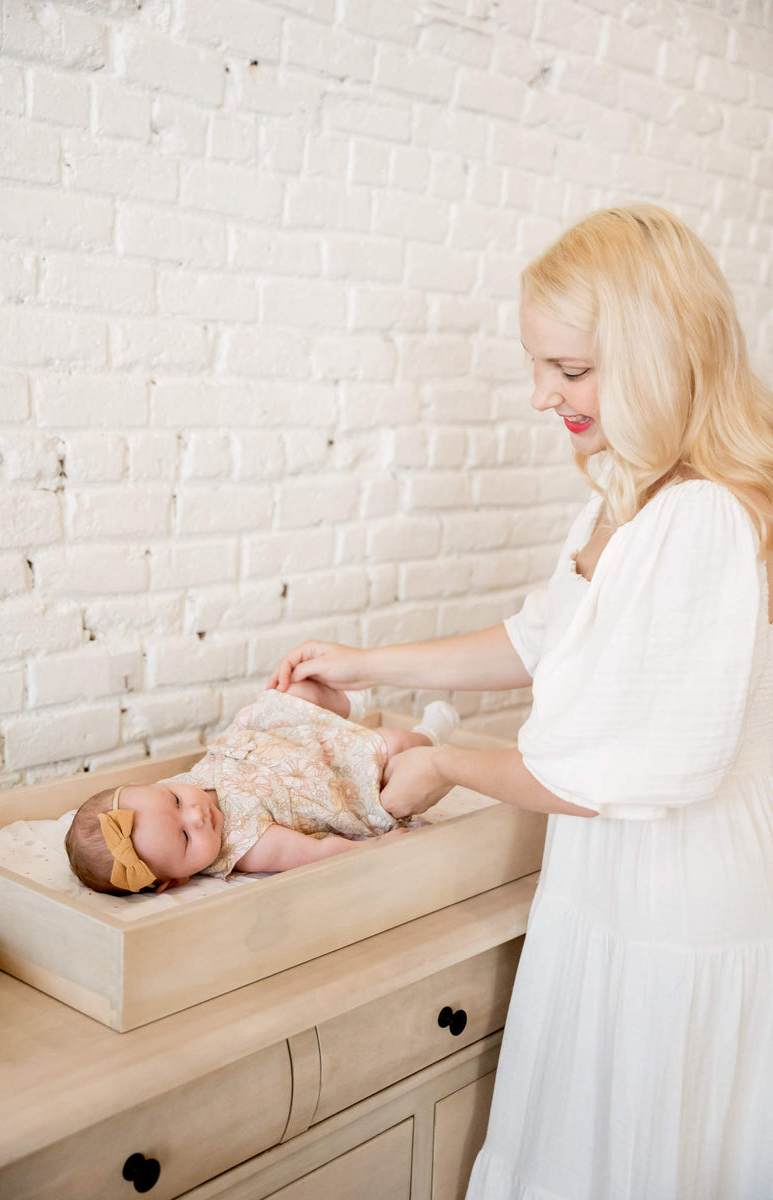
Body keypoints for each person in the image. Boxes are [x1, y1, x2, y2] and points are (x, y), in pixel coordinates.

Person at [269, 204, 773, 1198]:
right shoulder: (624, 499)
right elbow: (541, 639)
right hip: (605, 885)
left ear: (657, 356)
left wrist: (448, 763)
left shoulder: (703, 520)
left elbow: (623, 772)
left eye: (568, 370)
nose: (541, 395)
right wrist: (367, 664)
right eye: (538, 366)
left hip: (668, 900)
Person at [65, 681, 458, 894]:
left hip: (290, 744)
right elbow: (315, 853)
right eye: (186, 838)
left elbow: (150, 811)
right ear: (175, 880)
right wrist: (374, 849)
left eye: (175, 801)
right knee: (397, 749)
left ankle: (347, 706)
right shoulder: (245, 846)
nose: (196, 814)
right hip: (339, 780)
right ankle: (430, 736)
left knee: (288, 692)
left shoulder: (167, 797)